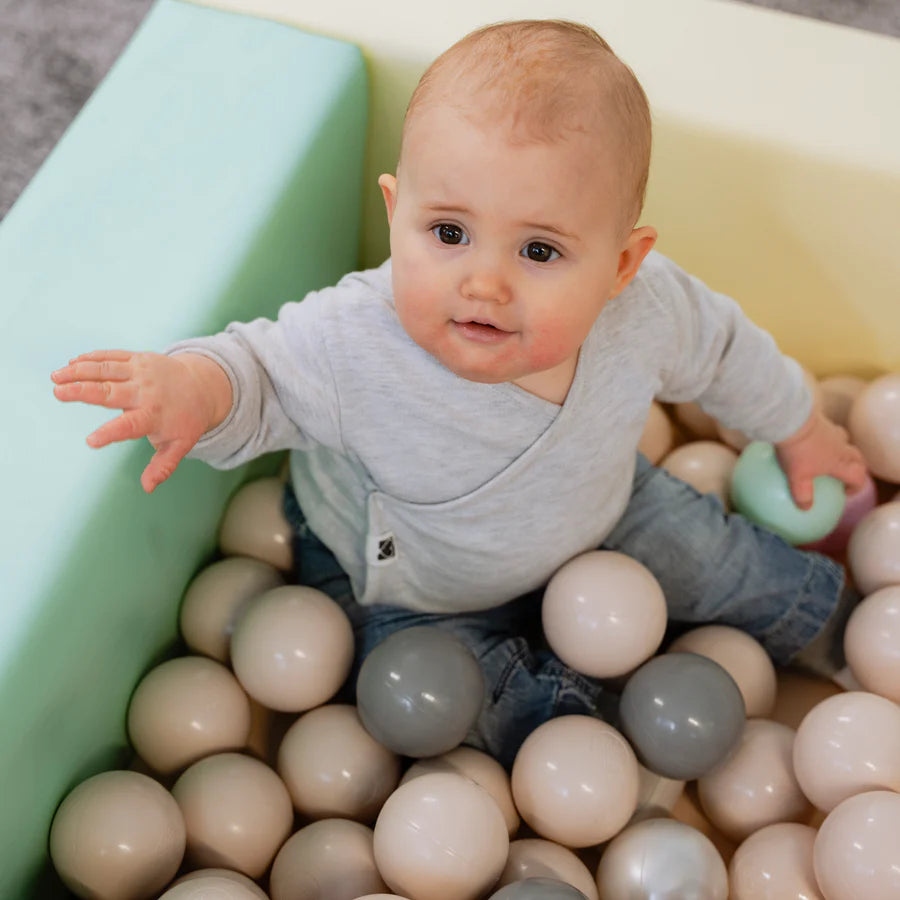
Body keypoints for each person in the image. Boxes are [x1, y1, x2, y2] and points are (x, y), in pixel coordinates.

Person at [52, 19, 866, 767]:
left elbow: (726, 352)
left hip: (604, 505)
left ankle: (847, 631)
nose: (483, 283)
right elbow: (260, 370)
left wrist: (798, 427)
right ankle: (602, 730)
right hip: (412, 582)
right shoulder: (358, 339)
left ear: (623, 266)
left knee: (723, 560)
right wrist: (197, 386)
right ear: (395, 212)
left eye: (540, 250)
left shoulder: (648, 311)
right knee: (437, 697)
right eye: (447, 233)